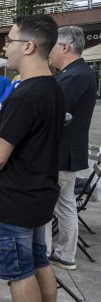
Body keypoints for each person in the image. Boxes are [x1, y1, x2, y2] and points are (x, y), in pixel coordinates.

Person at [0, 14, 65, 302]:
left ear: (28, 46)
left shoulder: (26, 95)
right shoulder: (53, 88)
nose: (4, 48)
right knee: (39, 259)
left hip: (14, 196)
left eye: (10, 41)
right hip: (39, 192)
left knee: (18, 270)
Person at [44, 25, 97, 270]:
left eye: (52, 47)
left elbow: (51, 112)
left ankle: (44, 253)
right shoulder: (79, 73)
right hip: (67, 151)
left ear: (65, 47)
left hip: (61, 152)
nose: (49, 53)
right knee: (64, 204)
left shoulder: (74, 76)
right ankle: (65, 253)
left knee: (47, 203)